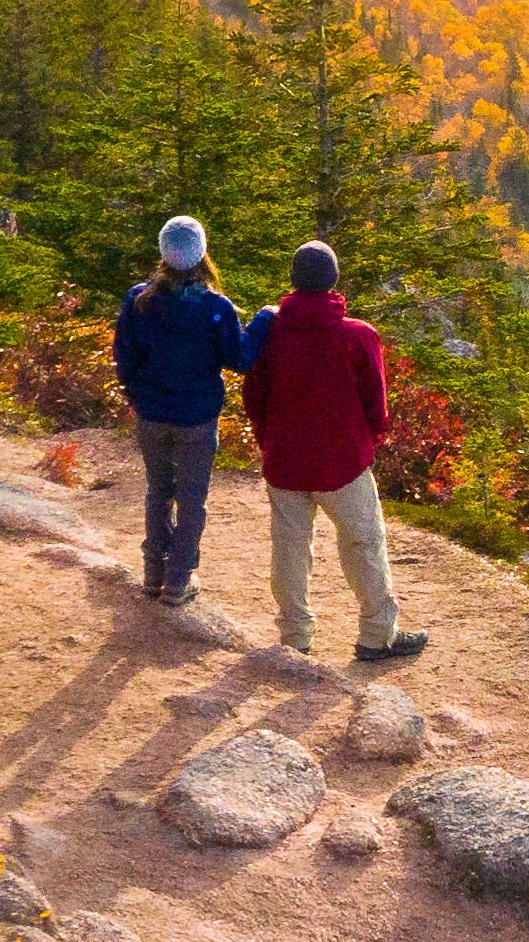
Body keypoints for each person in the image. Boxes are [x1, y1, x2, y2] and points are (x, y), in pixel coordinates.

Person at [247, 238, 416, 664]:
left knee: (289, 547)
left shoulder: (270, 335)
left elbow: (255, 397)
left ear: (294, 280)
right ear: (333, 280)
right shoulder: (359, 336)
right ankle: (378, 635)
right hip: (344, 463)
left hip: (285, 462)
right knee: (362, 542)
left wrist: (270, 441)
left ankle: (295, 639)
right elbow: (376, 406)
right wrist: (369, 439)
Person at [107, 215, 257, 608]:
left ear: (163, 252)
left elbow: (123, 357)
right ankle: (179, 580)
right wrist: (262, 322)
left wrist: (137, 397)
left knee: (159, 491)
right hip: (197, 417)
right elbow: (238, 359)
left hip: (152, 414)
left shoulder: (139, 300)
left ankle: (153, 575)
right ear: (201, 254)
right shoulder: (215, 307)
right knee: (192, 498)